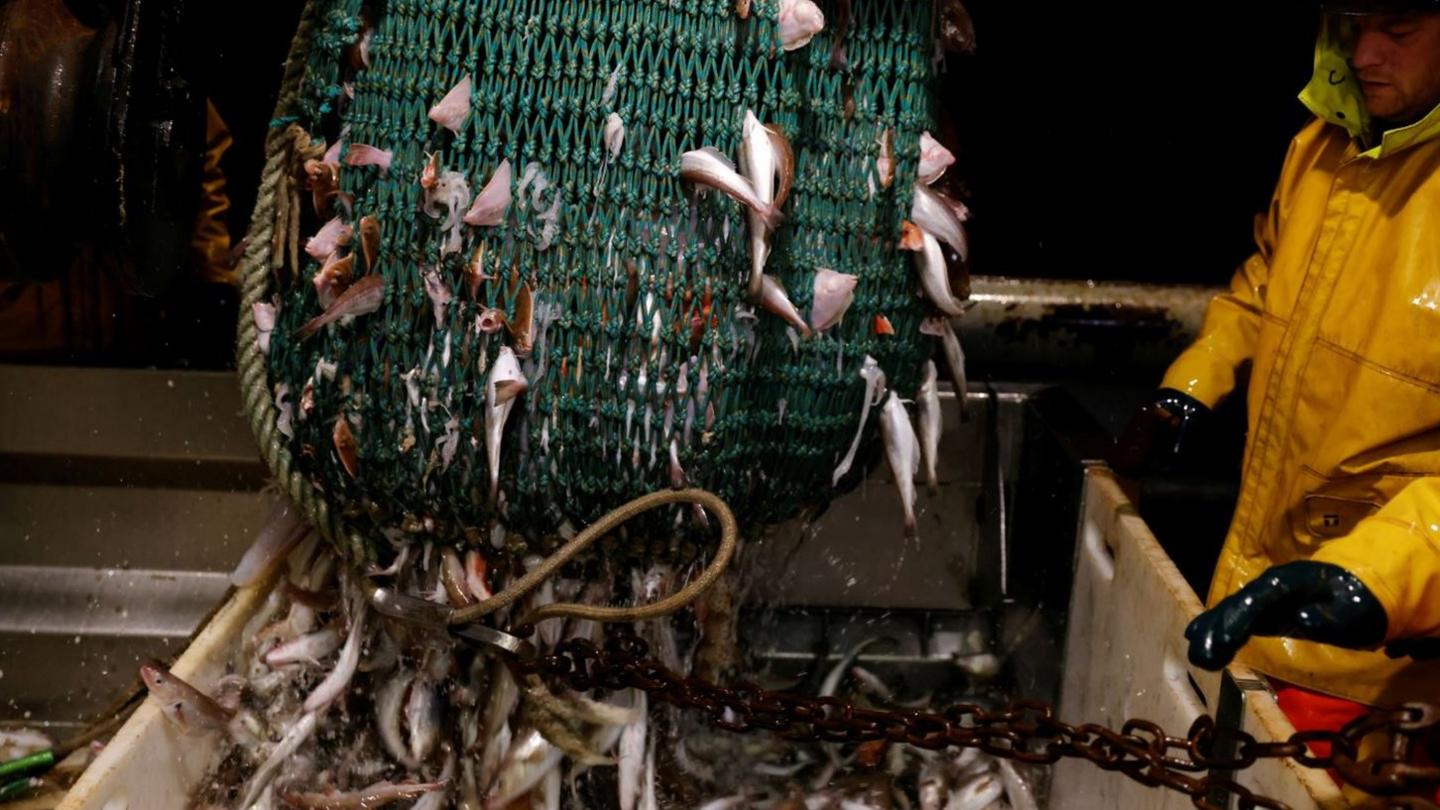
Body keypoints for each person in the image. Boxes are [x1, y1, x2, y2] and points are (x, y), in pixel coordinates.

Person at [1117, 0, 1440, 794]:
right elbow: (1265, 285)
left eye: (1398, 34)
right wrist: (1193, 385)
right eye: (1352, 24)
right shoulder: (1324, 145)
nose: (1364, 53)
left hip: (1387, 670)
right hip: (1259, 605)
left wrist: (1372, 582)